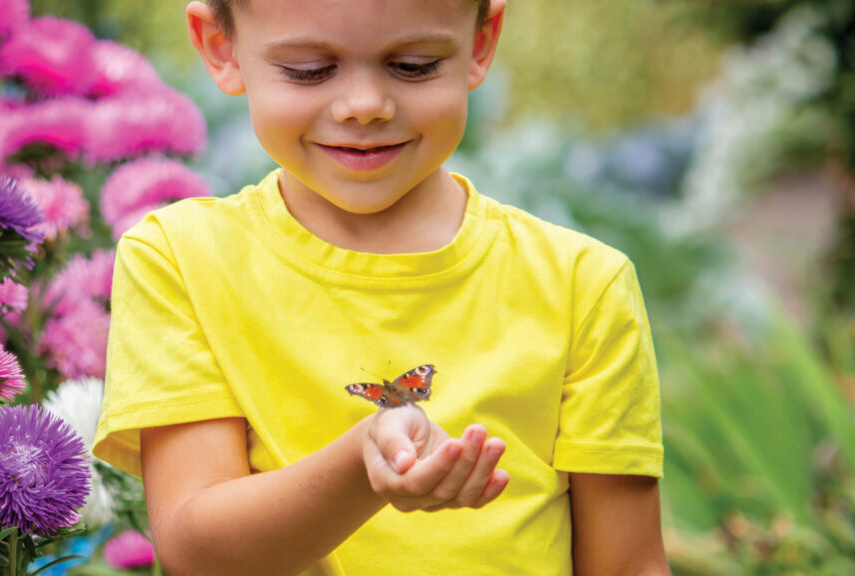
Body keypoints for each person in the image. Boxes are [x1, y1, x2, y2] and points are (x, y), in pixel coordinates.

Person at [93, 0, 670, 574]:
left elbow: (627, 565)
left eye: (414, 65)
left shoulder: (581, 285)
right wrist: (361, 466)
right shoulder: (179, 260)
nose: (365, 106)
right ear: (222, 47)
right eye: (309, 70)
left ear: (482, 41)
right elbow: (197, 554)